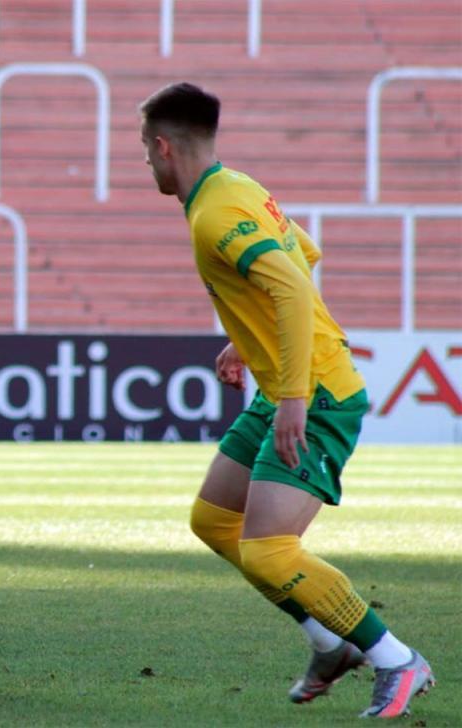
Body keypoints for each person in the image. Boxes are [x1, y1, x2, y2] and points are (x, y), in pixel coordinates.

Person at [138, 82, 435, 718]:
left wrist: (296, 394)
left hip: (316, 394)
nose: (145, 164)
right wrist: (243, 341)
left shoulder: (216, 213)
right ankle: (330, 642)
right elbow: (304, 251)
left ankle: (396, 659)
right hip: (279, 388)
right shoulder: (234, 186)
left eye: (145, 152)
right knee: (214, 521)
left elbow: (294, 290)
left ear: (164, 147)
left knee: (269, 549)